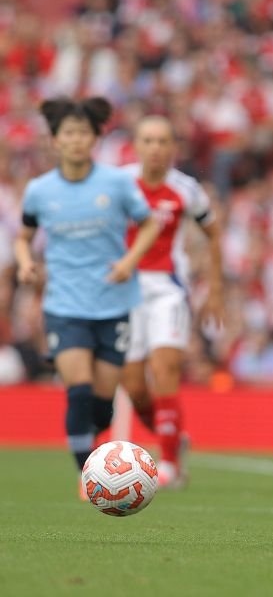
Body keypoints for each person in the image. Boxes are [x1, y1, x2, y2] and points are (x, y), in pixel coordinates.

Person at [14, 96, 159, 498]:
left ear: (94, 138)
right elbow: (23, 238)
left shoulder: (116, 183)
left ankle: (95, 456)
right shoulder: (40, 190)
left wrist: (130, 260)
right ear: (55, 140)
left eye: (83, 133)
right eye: (68, 133)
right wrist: (25, 262)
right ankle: (89, 476)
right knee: (77, 389)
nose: (76, 140)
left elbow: (148, 225)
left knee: (101, 402)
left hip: (113, 303)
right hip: (65, 305)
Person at [120, 115, 224, 489]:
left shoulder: (186, 189)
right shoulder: (121, 185)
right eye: (148, 141)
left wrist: (214, 290)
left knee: (164, 371)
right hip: (126, 293)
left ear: (173, 148)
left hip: (167, 290)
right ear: (136, 145)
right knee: (133, 386)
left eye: (163, 141)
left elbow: (213, 232)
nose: (156, 148)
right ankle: (174, 438)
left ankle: (169, 464)